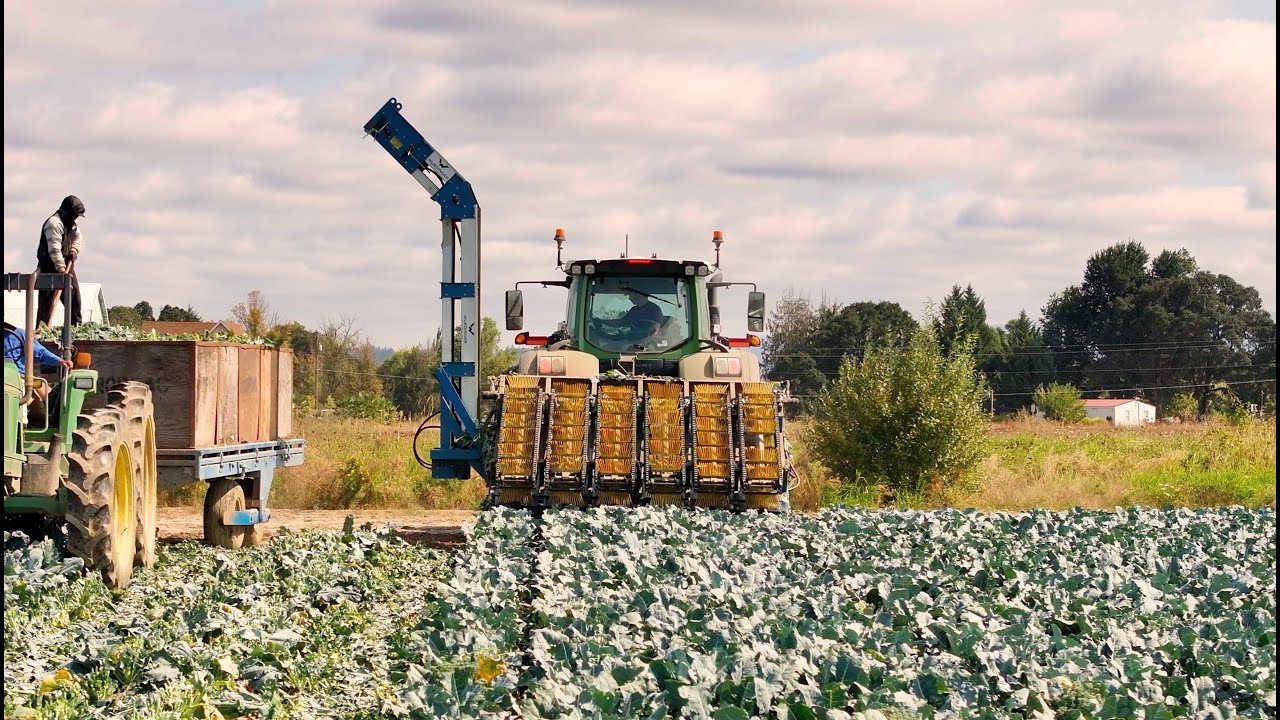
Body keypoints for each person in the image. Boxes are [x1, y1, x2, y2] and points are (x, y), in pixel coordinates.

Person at [3, 321, 73, 423]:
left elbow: (41, 353)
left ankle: (20, 424)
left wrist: (60, 361)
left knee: (19, 396)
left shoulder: (19, 334)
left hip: (17, 379)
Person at [36, 195, 86, 328]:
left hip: (67, 265)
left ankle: (75, 329)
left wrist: (73, 252)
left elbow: (78, 238)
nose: (76, 218)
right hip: (49, 267)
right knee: (47, 304)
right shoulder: (54, 223)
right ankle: (42, 335)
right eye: (74, 215)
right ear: (66, 212)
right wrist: (61, 270)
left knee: (74, 298)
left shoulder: (73, 224)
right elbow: (54, 250)